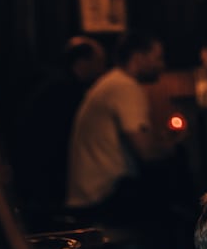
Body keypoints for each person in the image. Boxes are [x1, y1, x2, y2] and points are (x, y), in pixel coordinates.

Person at [65, 29, 183, 223]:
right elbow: (146, 152)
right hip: (101, 199)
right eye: (158, 58)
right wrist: (172, 144)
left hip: (90, 196)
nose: (163, 65)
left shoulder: (112, 82)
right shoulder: (125, 87)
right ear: (138, 58)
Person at [12, 35, 106, 221]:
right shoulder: (65, 90)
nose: (103, 69)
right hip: (47, 175)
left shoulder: (54, 83)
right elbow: (61, 137)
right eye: (100, 62)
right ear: (83, 61)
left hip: (34, 172)